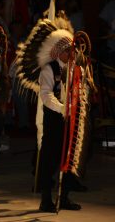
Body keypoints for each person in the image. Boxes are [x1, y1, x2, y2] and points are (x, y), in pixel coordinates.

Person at [37, 27, 82, 212]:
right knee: (50, 158)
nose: (70, 54)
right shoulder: (49, 69)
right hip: (54, 119)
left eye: (71, 51)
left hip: (71, 119)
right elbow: (46, 95)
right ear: (59, 51)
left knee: (69, 157)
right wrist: (61, 108)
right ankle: (45, 199)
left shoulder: (75, 68)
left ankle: (64, 197)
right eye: (67, 51)